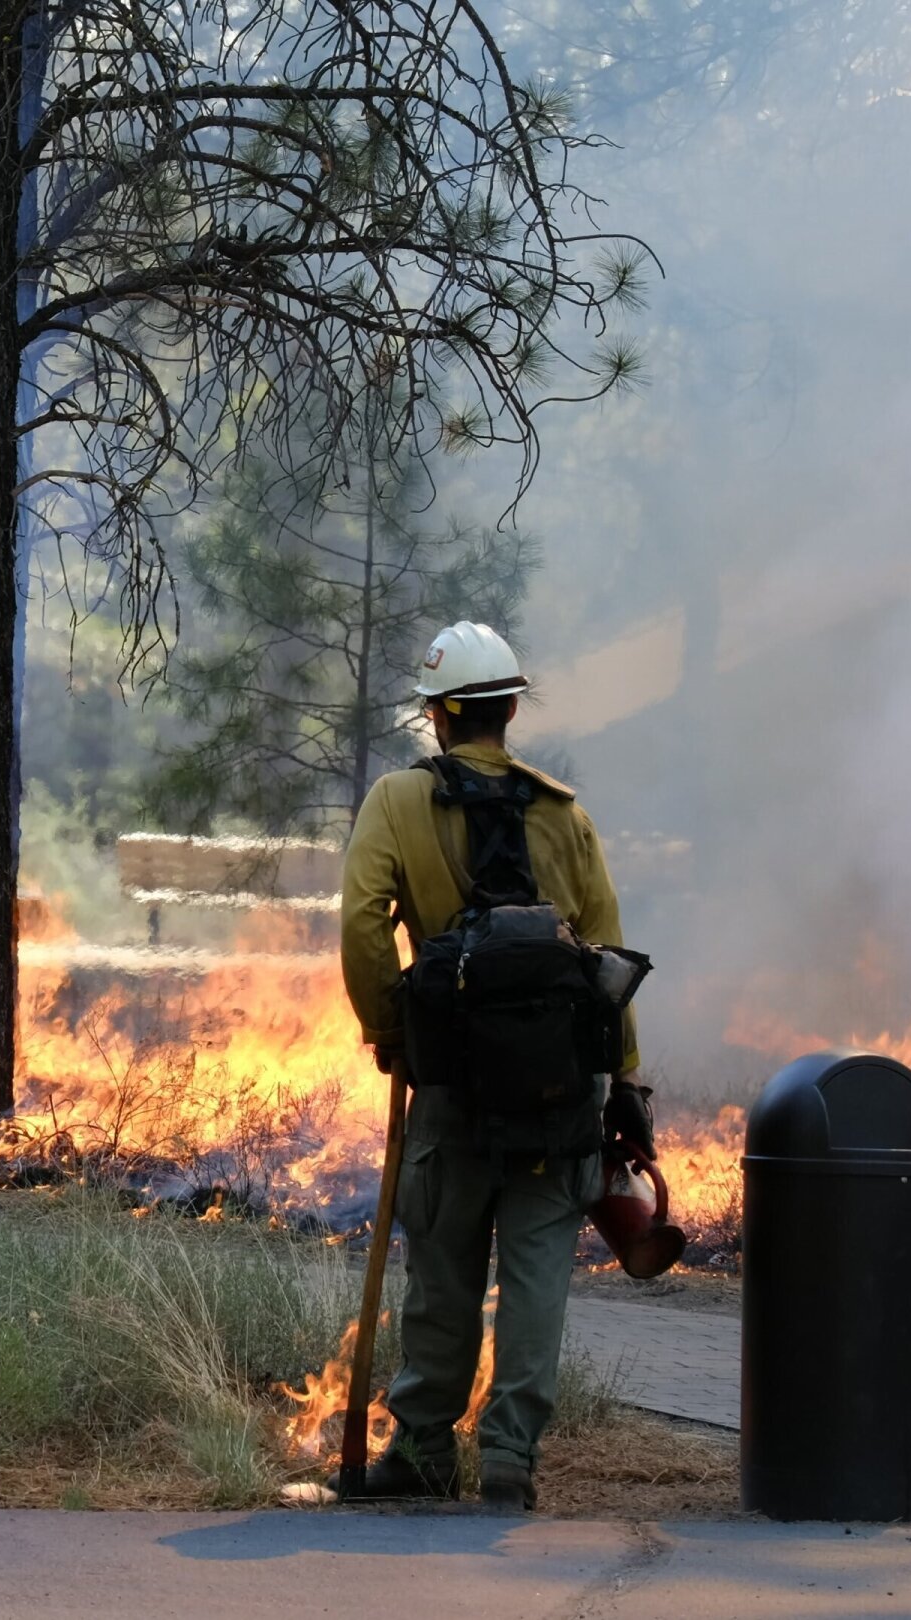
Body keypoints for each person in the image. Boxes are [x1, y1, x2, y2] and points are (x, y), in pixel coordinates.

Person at [337, 621, 649, 1512]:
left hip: (452, 1083)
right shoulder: (565, 814)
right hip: (559, 1092)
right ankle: (510, 1458)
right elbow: (609, 962)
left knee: (442, 1264)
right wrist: (623, 1081)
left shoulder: (398, 803)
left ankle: (425, 1448)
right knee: (540, 1271)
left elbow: (363, 923)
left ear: (438, 716)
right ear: (510, 709)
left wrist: (393, 1032)